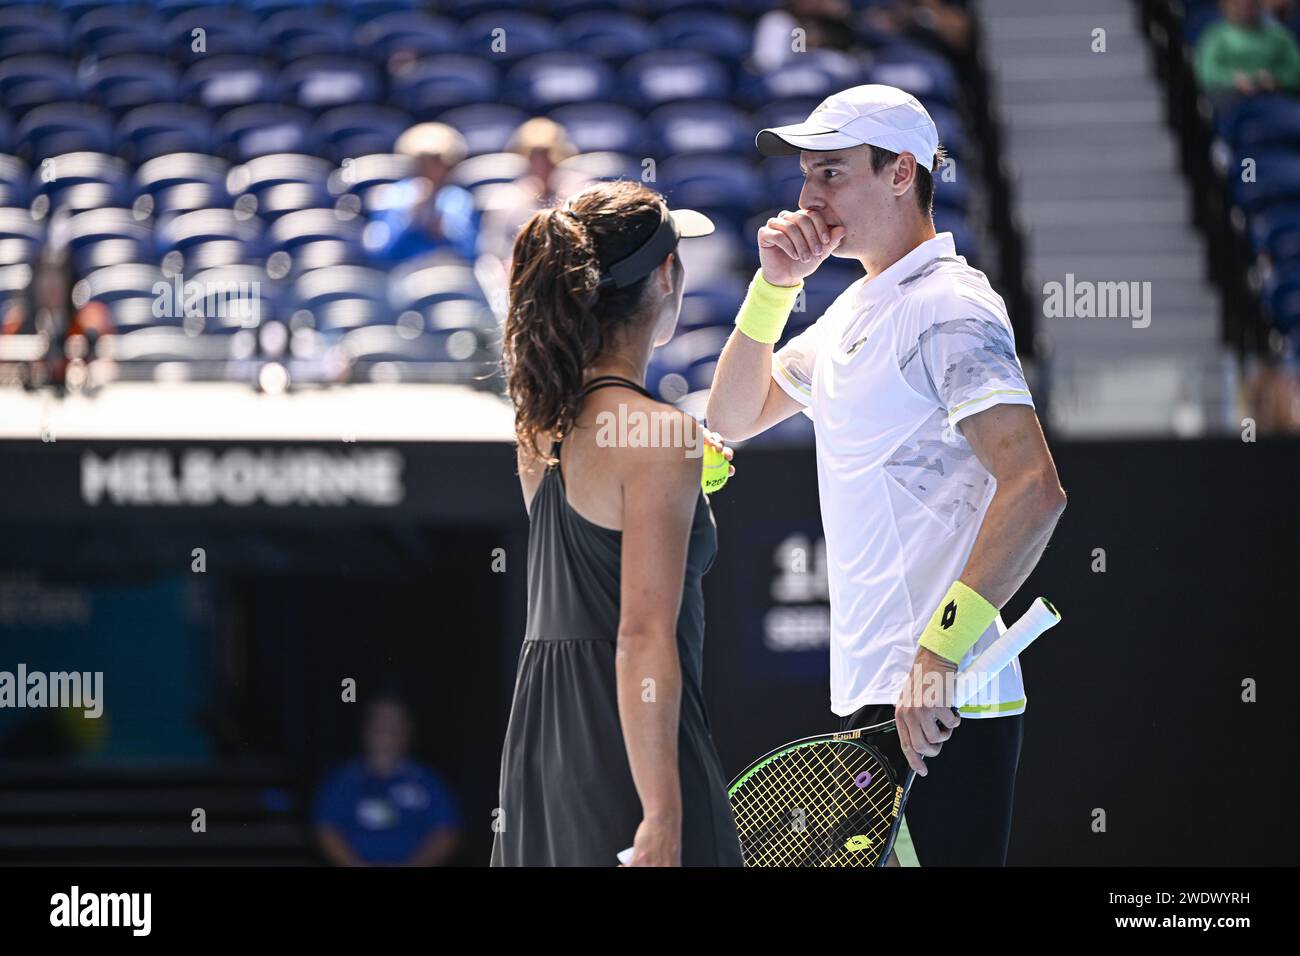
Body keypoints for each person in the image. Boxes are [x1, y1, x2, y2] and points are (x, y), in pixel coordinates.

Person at [706, 85, 1067, 866]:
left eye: (831, 174)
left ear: (902, 173)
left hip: (946, 695)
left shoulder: (950, 308)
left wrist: (938, 657)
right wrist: (774, 286)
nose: (809, 197)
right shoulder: (856, 310)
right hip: (887, 693)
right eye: (806, 175)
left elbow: (1035, 487)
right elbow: (732, 416)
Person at [490, 180, 742, 867]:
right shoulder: (660, 439)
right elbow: (638, 637)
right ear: (666, 276)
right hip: (630, 755)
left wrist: (683, 470)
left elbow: (594, 540)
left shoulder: (538, 423)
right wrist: (660, 813)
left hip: (541, 756)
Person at [313, 695, 461, 866]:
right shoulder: (341, 781)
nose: (386, 734)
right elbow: (325, 829)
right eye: (379, 725)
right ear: (365, 730)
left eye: (394, 726)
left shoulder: (428, 782)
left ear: (408, 732)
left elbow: (447, 832)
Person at [365, 122, 479, 264]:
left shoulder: (458, 199)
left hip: (447, 273)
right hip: (402, 275)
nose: (432, 169)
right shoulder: (394, 196)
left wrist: (445, 231)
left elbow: (470, 251)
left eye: (439, 162)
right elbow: (380, 250)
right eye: (424, 162)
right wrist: (409, 217)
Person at [1195, 0, 1300, 99]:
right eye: (1237, 3)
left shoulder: (1278, 35)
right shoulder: (1216, 35)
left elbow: (1295, 71)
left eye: (1251, 3)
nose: (1245, 5)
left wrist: (1276, 78)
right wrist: (1233, 80)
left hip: (1274, 99)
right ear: (1226, 5)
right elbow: (1205, 72)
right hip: (1228, 101)